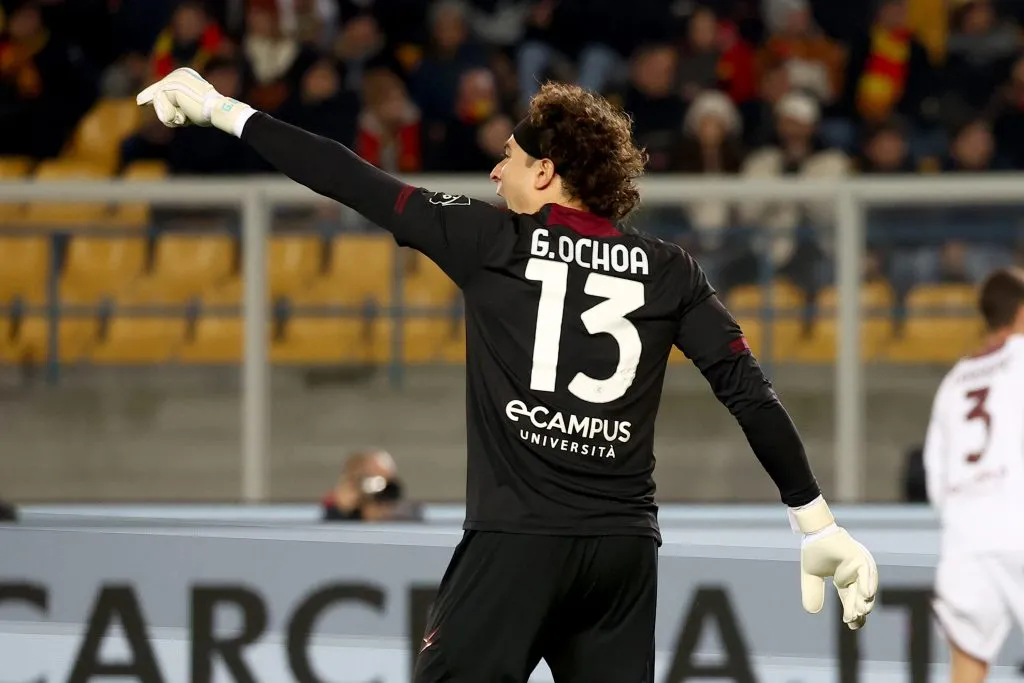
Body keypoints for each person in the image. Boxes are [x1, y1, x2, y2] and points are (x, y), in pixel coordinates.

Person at [138, 67, 878, 683]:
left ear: (546, 171)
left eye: (509, 158)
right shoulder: (670, 270)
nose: (495, 173)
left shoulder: (490, 239)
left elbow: (349, 177)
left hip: (519, 543)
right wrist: (816, 521)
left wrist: (224, 110)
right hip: (622, 556)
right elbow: (749, 392)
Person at [923, 267, 1024, 683]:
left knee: (966, 669)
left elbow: (936, 477)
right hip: (1018, 520)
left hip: (966, 539)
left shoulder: (954, 381)